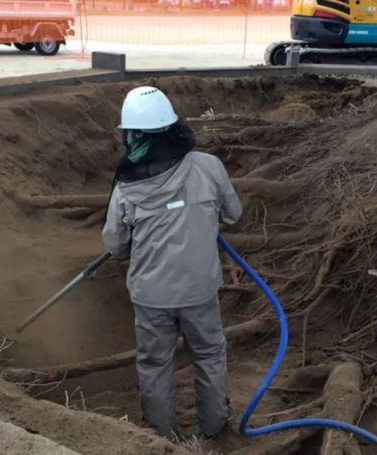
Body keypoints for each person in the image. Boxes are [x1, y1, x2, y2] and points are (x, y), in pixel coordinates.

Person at [102, 86, 242, 439]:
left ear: (132, 135)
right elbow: (233, 214)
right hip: (200, 289)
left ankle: (161, 439)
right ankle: (214, 429)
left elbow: (116, 244)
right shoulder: (209, 167)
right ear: (173, 127)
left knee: (154, 364)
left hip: (151, 296)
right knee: (209, 355)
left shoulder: (124, 189)